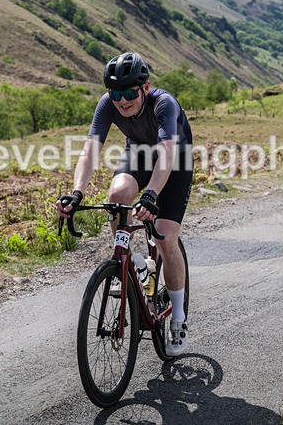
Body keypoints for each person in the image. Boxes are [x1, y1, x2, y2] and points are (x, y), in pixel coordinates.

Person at [56, 52, 193, 356]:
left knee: (165, 236)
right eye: (116, 93)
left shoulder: (164, 103)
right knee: (117, 197)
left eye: (130, 92)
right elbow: (90, 151)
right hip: (139, 154)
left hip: (175, 160)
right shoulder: (108, 104)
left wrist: (152, 194)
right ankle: (128, 264)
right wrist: (77, 192)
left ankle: (179, 318)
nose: (122, 100)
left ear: (145, 87)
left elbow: (167, 155)